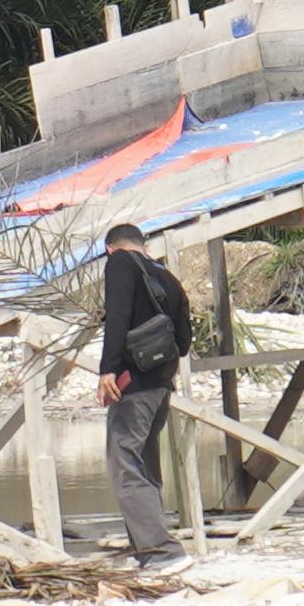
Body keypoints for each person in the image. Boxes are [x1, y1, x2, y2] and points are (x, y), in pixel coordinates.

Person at [95, 221, 198, 568]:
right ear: (146, 246)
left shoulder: (119, 263)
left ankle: (160, 552)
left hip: (133, 385)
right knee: (144, 465)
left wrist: (107, 369)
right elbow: (183, 342)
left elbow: (118, 317)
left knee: (125, 465)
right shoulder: (166, 276)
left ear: (111, 248)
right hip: (160, 387)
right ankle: (146, 548)